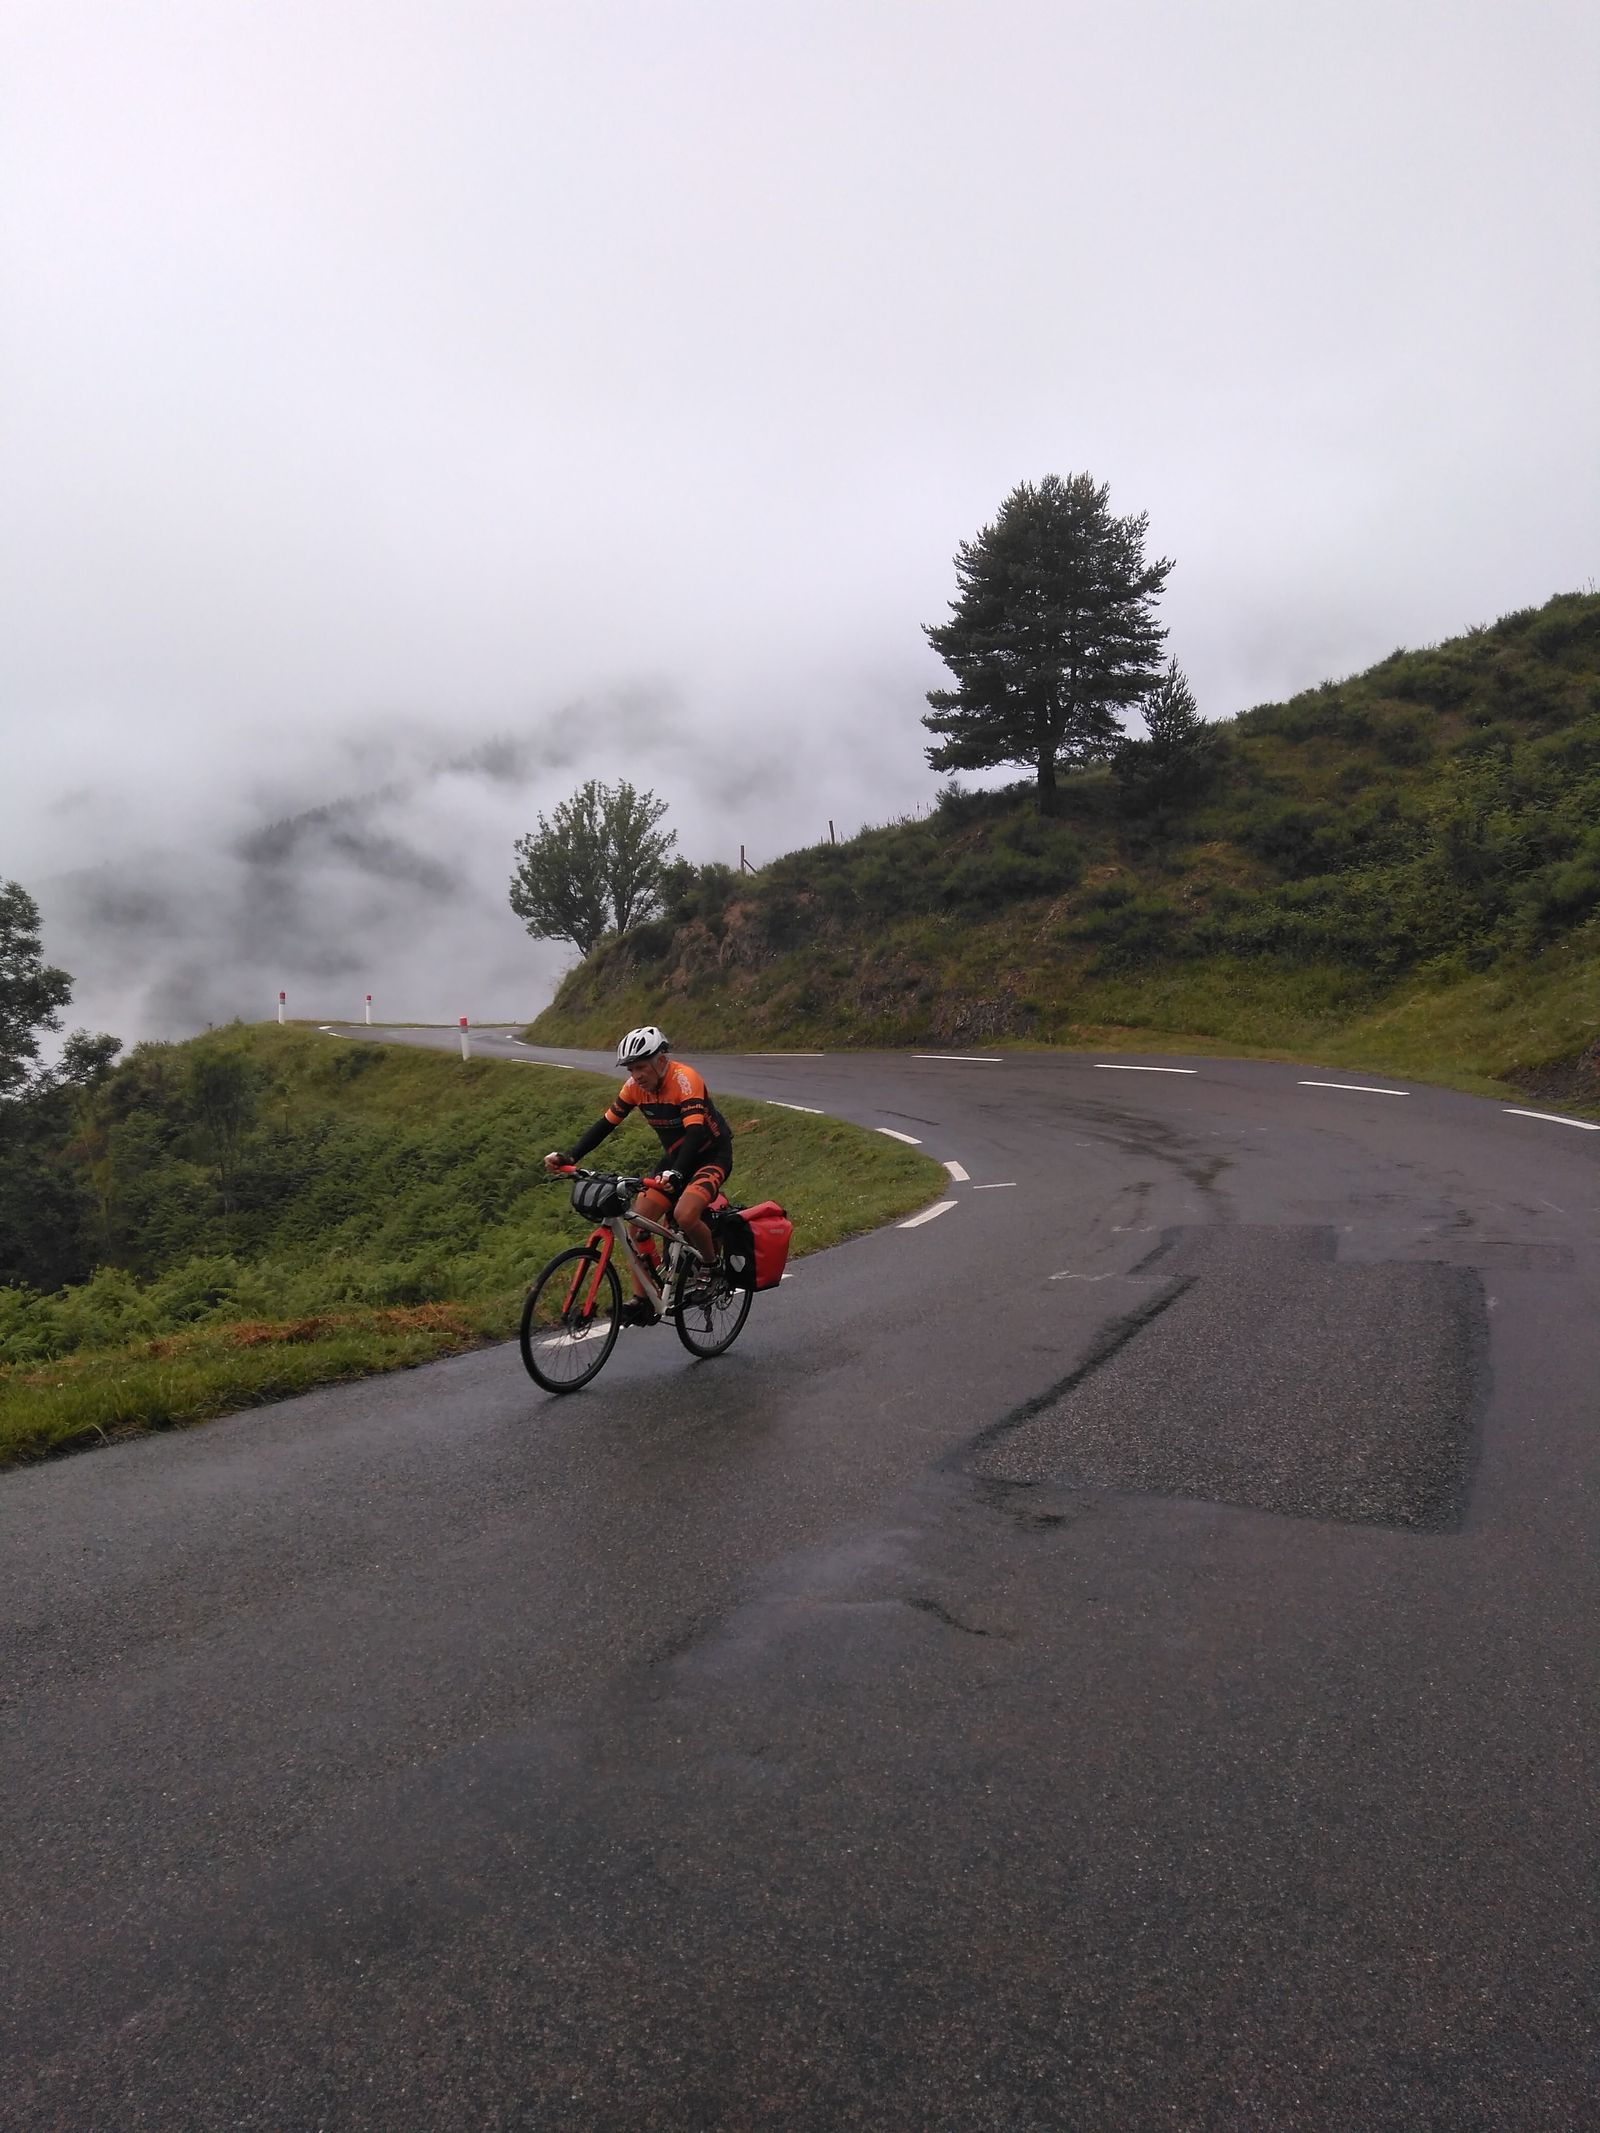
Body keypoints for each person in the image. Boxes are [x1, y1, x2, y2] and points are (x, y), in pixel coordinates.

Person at [545, 1026, 733, 1325]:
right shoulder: (634, 1088)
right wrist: (571, 1156)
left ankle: (712, 1267)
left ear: (661, 1061)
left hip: (710, 1156)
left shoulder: (685, 1080)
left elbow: (696, 1132)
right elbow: (605, 1124)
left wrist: (677, 1173)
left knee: (685, 1214)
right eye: (632, 1069)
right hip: (674, 1159)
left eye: (642, 1067)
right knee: (636, 1223)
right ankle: (642, 1299)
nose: (637, 1075)